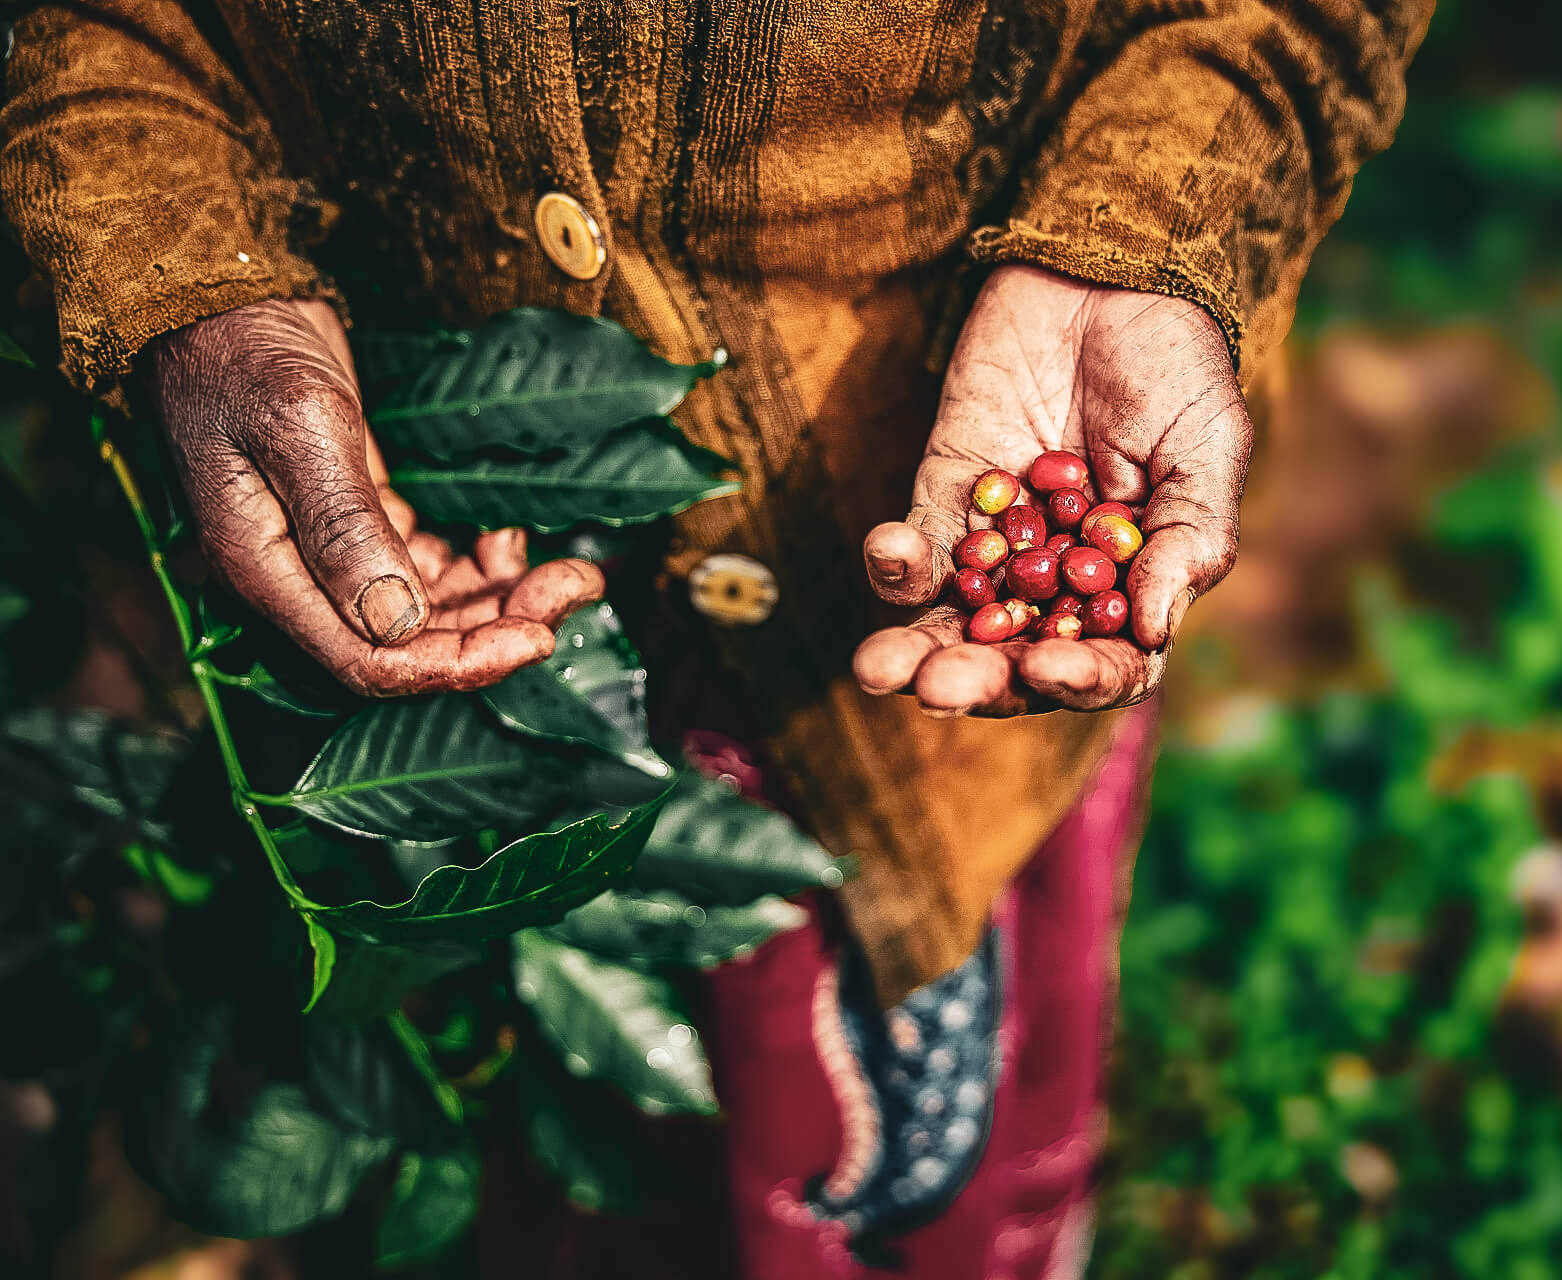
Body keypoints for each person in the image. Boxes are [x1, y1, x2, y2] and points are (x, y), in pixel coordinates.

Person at [0, 2, 1431, 1274]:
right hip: (447, 555)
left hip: (886, 710)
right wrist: (182, 270)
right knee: (526, 1098)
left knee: (890, 1079)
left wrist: (1146, 237)